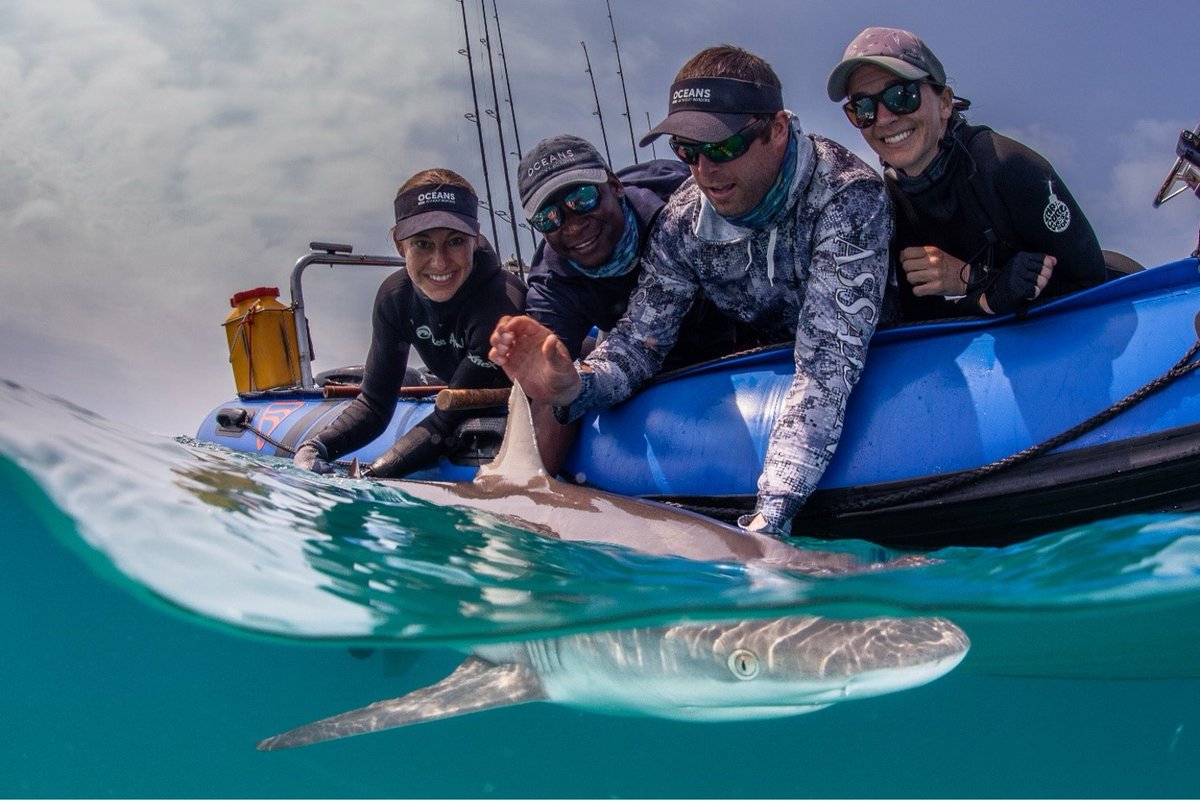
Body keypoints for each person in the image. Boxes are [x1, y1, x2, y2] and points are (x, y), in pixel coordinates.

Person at [490, 45, 893, 537]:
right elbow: (639, 344)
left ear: (778, 129)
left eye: (723, 147)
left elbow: (826, 364)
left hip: (871, 353)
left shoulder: (848, 195)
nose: (705, 170)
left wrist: (770, 522)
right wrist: (573, 387)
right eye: (687, 150)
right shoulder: (682, 221)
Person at [827, 26, 1108, 320]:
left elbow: (1090, 283)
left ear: (945, 103)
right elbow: (916, 320)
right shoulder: (883, 206)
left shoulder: (1007, 167)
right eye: (863, 108)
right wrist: (984, 295)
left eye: (901, 95)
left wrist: (970, 277)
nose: (884, 118)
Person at [294, 169, 525, 477]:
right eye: (422, 244)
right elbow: (375, 404)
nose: (440, 261)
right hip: (451, 386)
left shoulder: (502, 303)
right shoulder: (395, 298)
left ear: (475, 240)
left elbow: (448, 419)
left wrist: (371, 477)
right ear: (400, 244)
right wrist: (315, 447)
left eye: (455, 241)